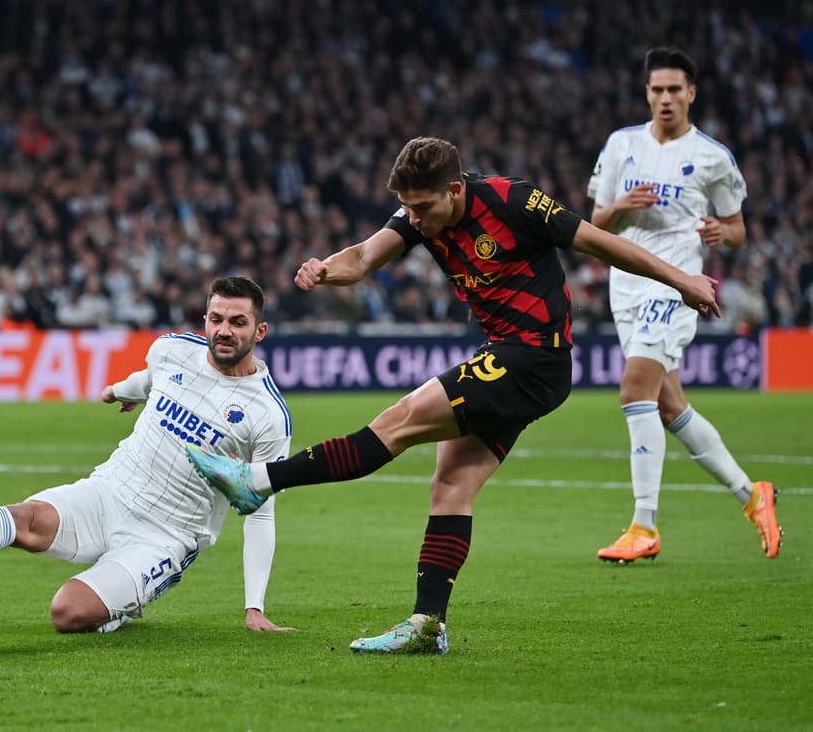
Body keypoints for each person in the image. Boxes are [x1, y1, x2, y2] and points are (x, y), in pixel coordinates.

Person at [185, 136, 721, 655]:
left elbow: (602, 243)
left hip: (532, 358)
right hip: (511, 358)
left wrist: (682, 280)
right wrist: (326, 269)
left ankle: (259, 481)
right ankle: (427, 625)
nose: (415, 219)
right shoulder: (419, 215)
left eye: (422, 207)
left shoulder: (514, 201)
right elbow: (365, 256)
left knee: (399, 421)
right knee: (451, 485)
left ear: (455, 190)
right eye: (407, 208)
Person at [0, 276, 294, 634]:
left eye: (238, 322)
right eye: (216, 319)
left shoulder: (268, 416)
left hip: (165, 534)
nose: (224, 331)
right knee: (28, 520)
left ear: (259, 330)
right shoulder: (172, 350)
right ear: (205, 320)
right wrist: (120, 390)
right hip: (109, 491)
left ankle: (121, 606)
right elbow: (151, 379)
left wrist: (254, 608)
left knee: (67, 612)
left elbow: (261, 512)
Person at [587, 46, 781, 563]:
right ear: (647, 93)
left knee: (634, 390)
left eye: (675, 89)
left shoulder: (713, 156)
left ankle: (643, 525)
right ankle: (752, 495)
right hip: (626, 285)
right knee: (668, 405)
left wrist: (723, 232)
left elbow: (737, 230)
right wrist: (620, 205)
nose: (665, 98)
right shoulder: (621, 145)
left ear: (691, 93)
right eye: (657, 90)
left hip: (676, 285)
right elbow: (595, 223)